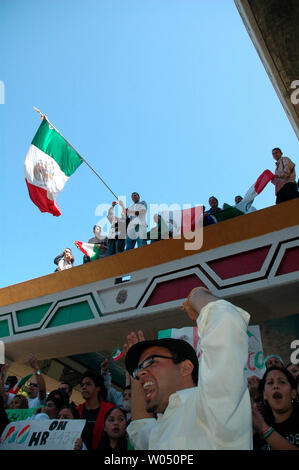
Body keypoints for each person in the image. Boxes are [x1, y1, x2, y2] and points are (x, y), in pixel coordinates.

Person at [124, 286, 252, 450]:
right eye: (138, 371)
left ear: (185, 368)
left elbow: (226, 320)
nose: (140, 374)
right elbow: (139, 427)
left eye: (151, 362)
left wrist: (196, 295)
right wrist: (137, 372)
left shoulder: (209, 405)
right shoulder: (159, 429)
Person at [252, 366, 299, 450]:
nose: (276, 386)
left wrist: (263, 428)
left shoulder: (261, 425)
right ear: (265, 394)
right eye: (270, 383)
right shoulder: (256, 430)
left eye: (282, 382)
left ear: (293, 393)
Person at [77, 369, 115, 450]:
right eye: (82, 385)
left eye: (88, 384)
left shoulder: (110, 410)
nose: (84, 387)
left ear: (98, 388)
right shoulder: (77, 410)